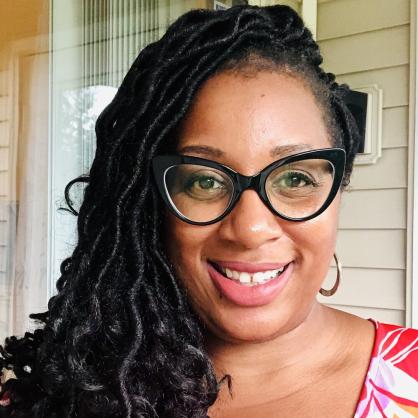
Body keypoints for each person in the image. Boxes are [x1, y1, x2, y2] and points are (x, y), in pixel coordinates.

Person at [1, 4, 418, 418]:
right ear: (153, 203)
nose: (251, 228)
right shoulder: (71, 391)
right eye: (205, 181)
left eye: (295, 179)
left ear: (337, 190)